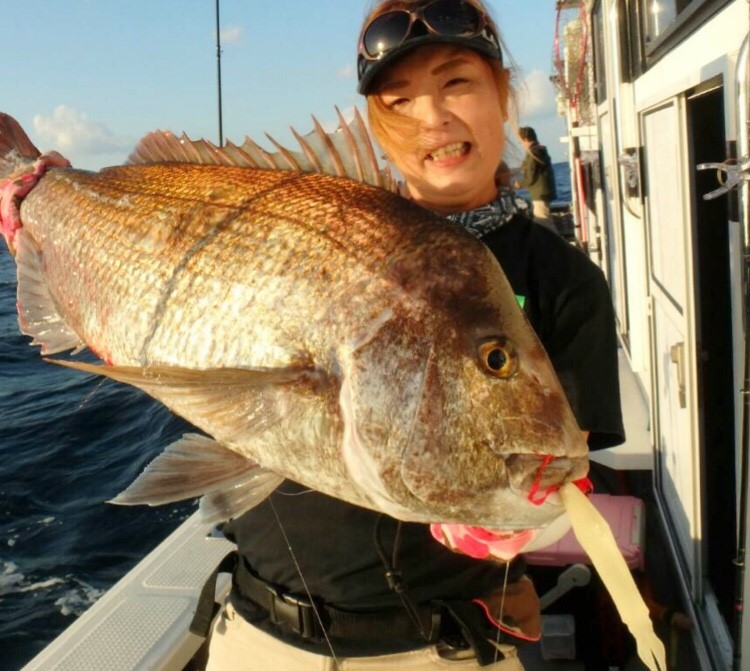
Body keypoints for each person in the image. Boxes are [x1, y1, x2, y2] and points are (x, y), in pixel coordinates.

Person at [204, 1, 624, 669]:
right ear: (377, 126)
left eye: (457, 83)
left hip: (449, 648)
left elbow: (575, 469)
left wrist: (522, 524)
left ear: (503, 92)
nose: (433, 117)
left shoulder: (562, 279)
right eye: (400, 100)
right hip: (263, 635)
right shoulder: (314, 232)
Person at [516, 126, 557, 228]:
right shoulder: (540, 150)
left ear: (525, 139)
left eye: (520, 141)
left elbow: (530, 176)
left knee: (543, 222)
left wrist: (518, 184)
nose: (521, 144)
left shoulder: (534, 153)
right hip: (544, 192)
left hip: (540, 194)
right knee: (542, 221)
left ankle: (555, 243)